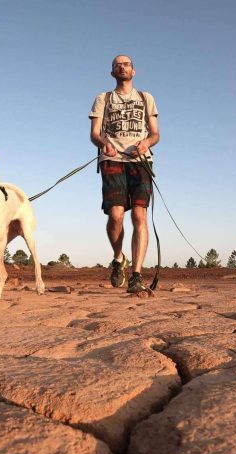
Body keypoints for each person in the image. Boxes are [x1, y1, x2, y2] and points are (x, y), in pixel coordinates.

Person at [89, 54, 160, 293]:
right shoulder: (103, 98)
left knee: (139, 216)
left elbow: (156, 134)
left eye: (126, 64)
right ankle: (119, 258)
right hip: (112, 159)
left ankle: (136, 275)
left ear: (134, 71)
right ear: (112, 72)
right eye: (117, 65)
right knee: (116, 215)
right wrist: (103, 144)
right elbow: (94, 134)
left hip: (140, 162)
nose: (122, 67)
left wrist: (147, 143)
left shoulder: (146, 97)